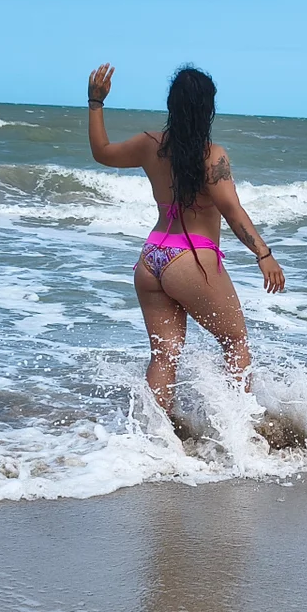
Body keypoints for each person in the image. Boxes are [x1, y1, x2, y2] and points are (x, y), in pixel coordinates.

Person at [86, 63, 285, 426]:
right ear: (208, 108)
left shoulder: (150, 145)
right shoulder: (212, 155)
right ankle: (242, 434)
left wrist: (95, 103)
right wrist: (264, 254)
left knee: (164, 355)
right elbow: (231, 209)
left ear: (172, 105)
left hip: (151, 259)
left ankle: (155, 438)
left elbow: (102, 152)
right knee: (235, 342)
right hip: (190, 258)